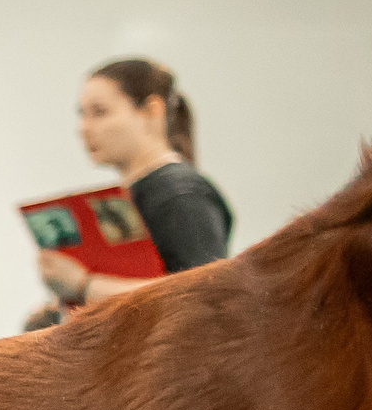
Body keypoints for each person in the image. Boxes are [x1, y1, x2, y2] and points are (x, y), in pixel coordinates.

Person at [35, 59, 233, 317]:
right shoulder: (133, 194)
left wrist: (85, 286)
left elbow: (203, 300)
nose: (83, 129)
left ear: (152, 111)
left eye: (99, 112)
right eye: (81, 114)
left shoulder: (183, 194)